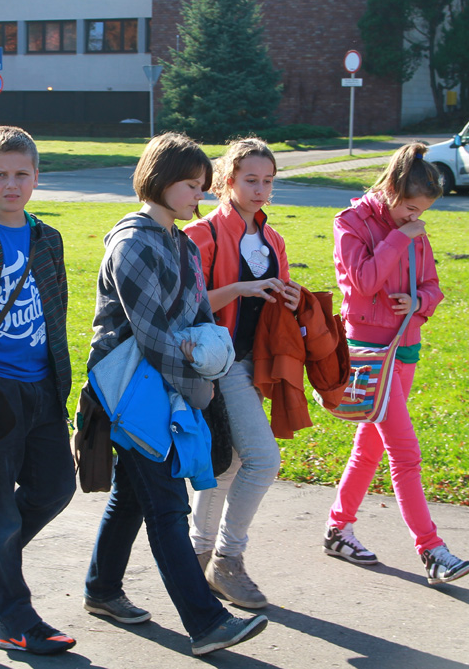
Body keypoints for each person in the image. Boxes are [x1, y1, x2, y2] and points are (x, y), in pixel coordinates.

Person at [82, 132, 269, 657]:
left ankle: (101, 590)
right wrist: (200, 388)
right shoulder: (133, 243)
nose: (199, 195)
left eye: (202, 185)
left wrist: (211, 360)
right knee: (167, 506)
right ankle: (207, 624)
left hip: (166, 388)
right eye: (190, 185)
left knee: (132, 496)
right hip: (131, 392)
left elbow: (201, 321)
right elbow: (154, 336)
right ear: (160, 181)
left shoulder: (182, 243)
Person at [323, 143, 469, 585]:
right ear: (391, 189)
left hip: (406, 349)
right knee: (405, 453)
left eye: (422, 212)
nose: (416, 218)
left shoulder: (412, 229)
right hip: (371, 353)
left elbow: (433, 286)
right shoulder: (351, 223)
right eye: (410, 208)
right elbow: (363, 283)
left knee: (369, 447)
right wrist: (400, 237)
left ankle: (337, 528)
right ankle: (431, 549)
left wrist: (419, 301)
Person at [0, 126, 76, 654]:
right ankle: (15, 620)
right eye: (0, 174)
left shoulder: (48, 237)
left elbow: (56, 312)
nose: (11, 184)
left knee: (56, 487)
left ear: (36, 178)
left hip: (42, 385)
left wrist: (58, 381)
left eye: (21, 174)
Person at [183, 138, 300, 609]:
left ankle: (196, 559)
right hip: (221, 362)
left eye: (267, 181)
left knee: (229, 464)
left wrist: (292, 298)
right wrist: (239, 289)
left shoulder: (274, 240)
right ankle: (228, 560)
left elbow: (281, 300)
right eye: (251, 180)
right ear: (227, 181)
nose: (260, 190)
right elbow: (186, 306)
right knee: (263, 460)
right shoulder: (203, 234)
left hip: (258, 363)